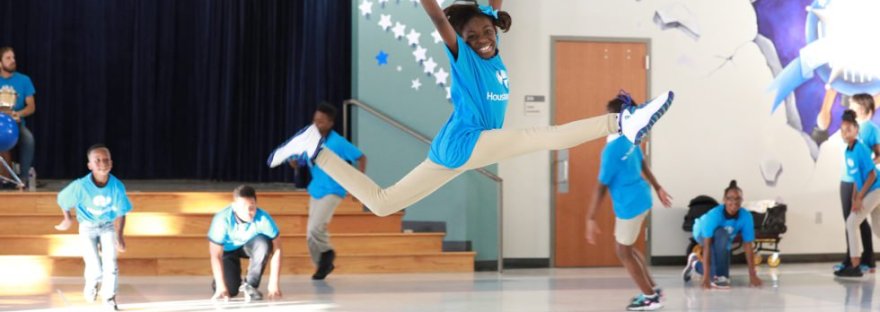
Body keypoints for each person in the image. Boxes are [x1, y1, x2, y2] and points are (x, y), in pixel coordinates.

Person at [267, 0, 674, 218]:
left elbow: (489, 8)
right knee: (542, 137)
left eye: (487, 31)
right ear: (460, 40)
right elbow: (434, 14)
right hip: (467, 141)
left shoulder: (493, 52)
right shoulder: (463, 56)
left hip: (453, 149)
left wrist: (486, 14)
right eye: (472, 35)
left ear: (495, 30)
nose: (482, 38)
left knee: (383, 203)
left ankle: (315, 148)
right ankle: (622, 119)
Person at [584, 96, 673, 311]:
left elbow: (601, 187)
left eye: (610, 116)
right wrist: (658, 187)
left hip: (630, 205)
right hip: (642, 198)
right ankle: (652, 289)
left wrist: (590, 218)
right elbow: (643, 163)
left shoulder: (612, 150)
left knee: (623, 252)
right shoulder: (631, 138)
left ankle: (650, 296)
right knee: (628, 248)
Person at [288, 102, 366, 280]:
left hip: (333, 189)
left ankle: (328, 253)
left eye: (321, 121)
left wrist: (359, 184)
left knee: (316, 228)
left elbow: (361, 157)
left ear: (330, 123)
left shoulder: (337, 142)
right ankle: (322, 265)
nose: (317, 125)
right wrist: (295, 163)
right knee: (310, 235)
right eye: (315, 121)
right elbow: (301, 160)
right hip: (316, 189)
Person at [54, 144, 132, 310]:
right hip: (87, 227)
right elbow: (62, 200)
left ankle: (109, 298)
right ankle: (92, 284)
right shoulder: (81, 186)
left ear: (111, 163)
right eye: (97, 160)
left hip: (108, 226)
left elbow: (121, 212)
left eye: (106, 160)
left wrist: (119, 236)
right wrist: (67, 218)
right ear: (89, 165)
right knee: (94, 264)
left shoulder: (117, 186)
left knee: (110, 263)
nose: (102, 163)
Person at [681, 180, 763, 289]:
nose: (734, 202)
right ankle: (703, 269)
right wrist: (705, 277)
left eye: (737, 198)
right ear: (724, 200)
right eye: (730, 198)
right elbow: (707, 246)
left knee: (722, 277)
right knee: (721, 235)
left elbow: (748, 246)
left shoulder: (746, 216)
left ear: (742, 200)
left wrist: (753, 275)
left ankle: (694, 263)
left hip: (724, 238)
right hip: (702, 233)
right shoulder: (714, 215)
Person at [208, 185, 283, 301]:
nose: (248, 212)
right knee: (231, 291)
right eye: (243, 207)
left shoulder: (264, 218)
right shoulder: (221, 219)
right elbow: (215, 255)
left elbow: (277, 249)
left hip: (250, 246)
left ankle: (250, 285)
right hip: (228, 251)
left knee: (264, 243)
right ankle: (219, 281)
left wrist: (274, 283)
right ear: (234, 206)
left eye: (251, 207)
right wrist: (221, 285)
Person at [834, 94, 877, 274]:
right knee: (869, 226)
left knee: (853, 223)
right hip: (857, 185)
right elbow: (854, 177)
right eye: (842, 130)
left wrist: (859, 197)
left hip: (873, 186)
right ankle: (854, 261)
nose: (844, 133)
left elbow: (872, 174)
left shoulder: (861, 143)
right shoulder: (848, 149)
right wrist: (855, 197)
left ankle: (856, 263)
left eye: (848, 129)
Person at [0, 47, 35, 189]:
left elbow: (31, 106)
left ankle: (23, 178)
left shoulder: (24, 80)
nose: (12, 61)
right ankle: (5, 178)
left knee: (28, 139)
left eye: (13, 58)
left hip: (15, 123)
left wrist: (17, 114)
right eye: (8, 58)